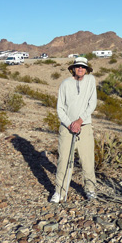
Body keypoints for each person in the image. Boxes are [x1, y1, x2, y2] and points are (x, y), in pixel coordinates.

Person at [50, 56, 97, 203]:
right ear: (73, 69)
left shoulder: (91, 81)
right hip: (67, 127)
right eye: (78, 67)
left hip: (85, 126)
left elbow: (92, 103)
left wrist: (79, 120)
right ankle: (59, 192)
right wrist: (70, 123)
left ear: (87, 69)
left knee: (87, 159)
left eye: (83, 67)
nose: (80, 69)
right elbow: (60, 108)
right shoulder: (65, 84)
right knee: (64, 160)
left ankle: (90, 189)